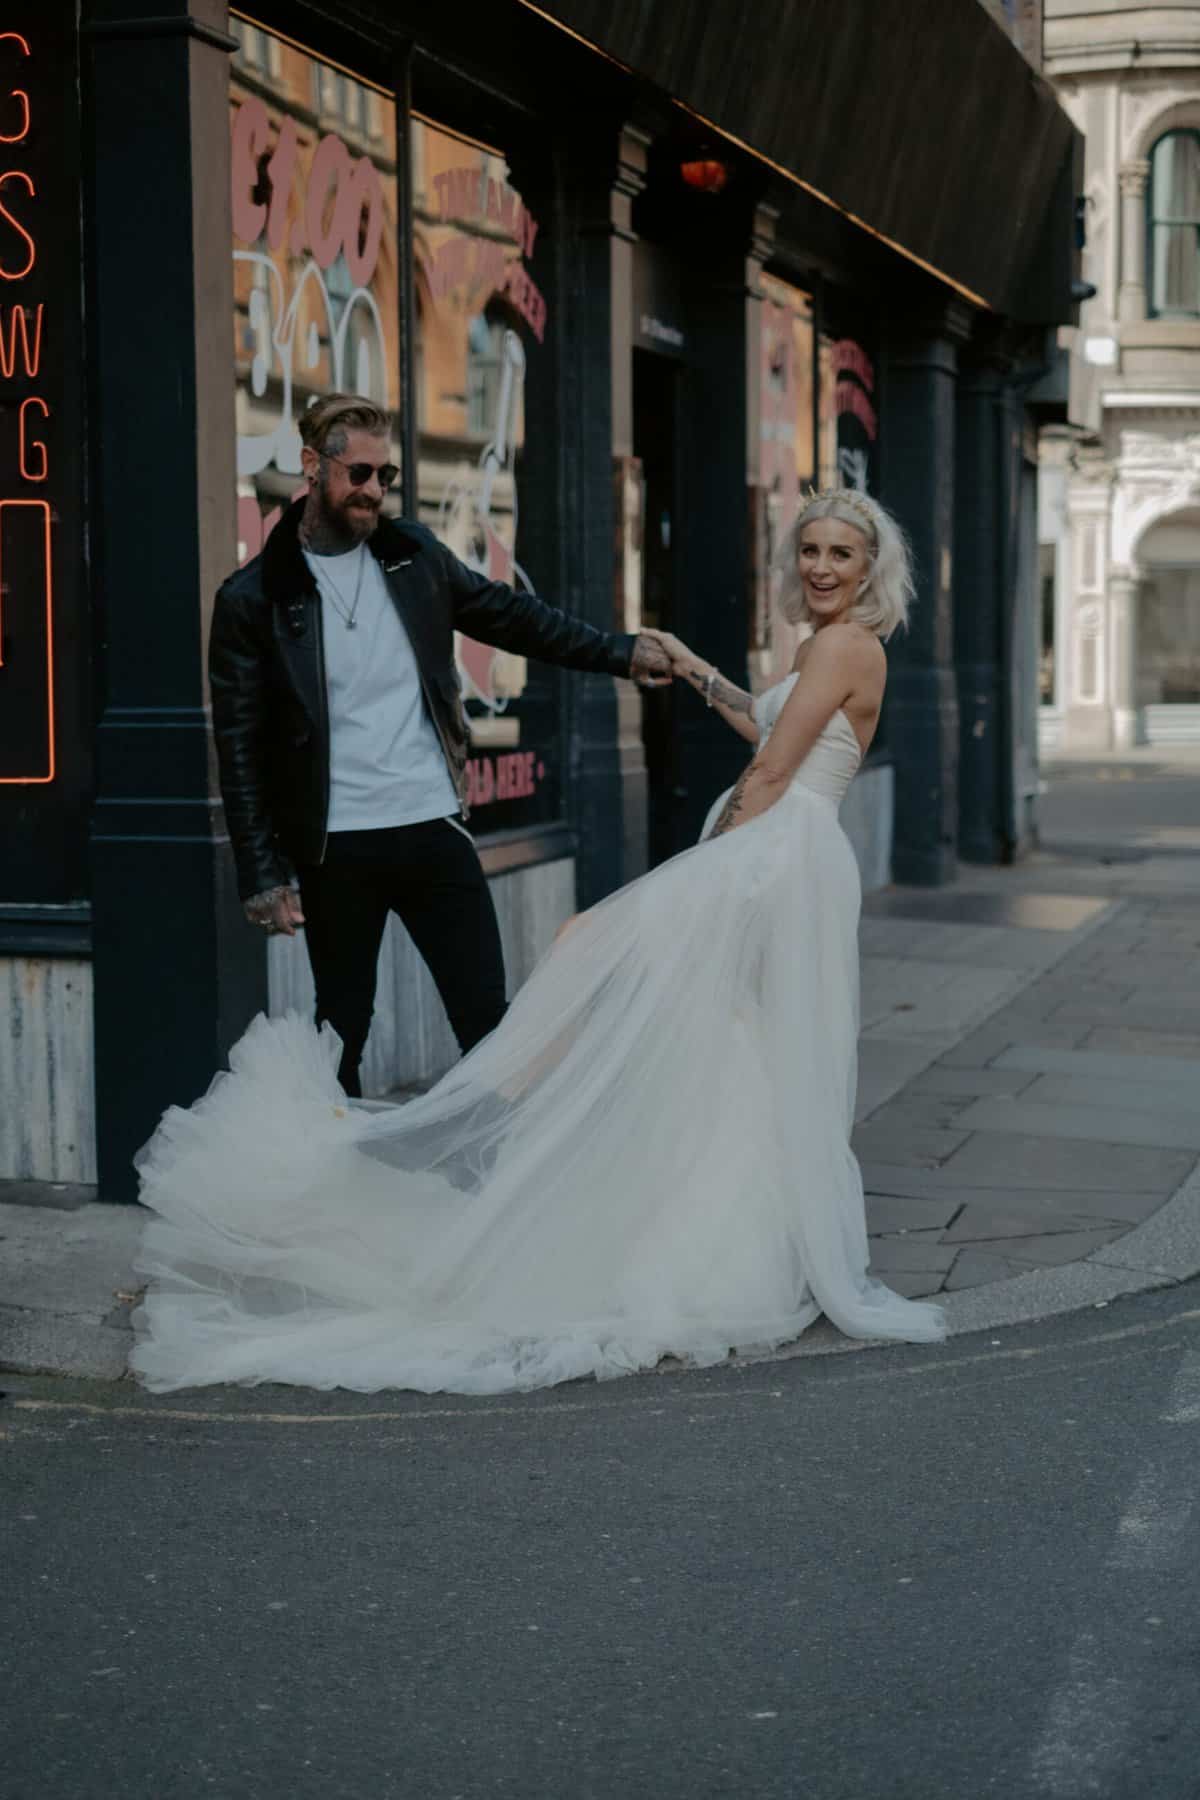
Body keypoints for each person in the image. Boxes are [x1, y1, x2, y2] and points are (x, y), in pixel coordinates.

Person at [131, 488, 946, 1396]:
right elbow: (767, 721)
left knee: (590, 936)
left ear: (873, 567)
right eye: (812, 551)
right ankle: (719, 1231)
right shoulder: (827, 646)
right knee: (728, 1037)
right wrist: (694, 670)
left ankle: (501, 1104)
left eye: (841, 554)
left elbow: (771, 768)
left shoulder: (844, 643)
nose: (823, 568)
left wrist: (700, 870)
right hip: (782, 848)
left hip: (769, 850)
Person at [211, 392, 672, 1097]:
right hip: (338, 845)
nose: (373, 492)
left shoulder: (414, 558)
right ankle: (336, 1185)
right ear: (311, 466)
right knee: (341, 1030)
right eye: (359, 474)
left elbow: (515, 619)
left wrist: (619, 652)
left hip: (431, 824)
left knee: (489, 1019)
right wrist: (261, 872)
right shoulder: (254, 597)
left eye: (386, 476)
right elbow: (237, 742)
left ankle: (502, 1178)